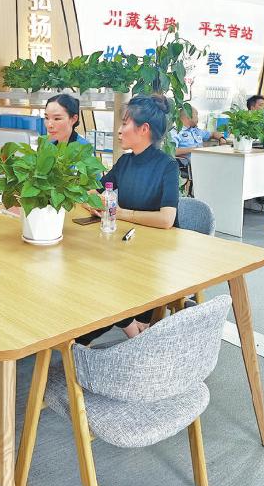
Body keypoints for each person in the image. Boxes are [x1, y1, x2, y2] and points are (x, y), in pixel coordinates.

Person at [79, 95, 179, 343]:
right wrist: (93, 203)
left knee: (104, 290)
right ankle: (130, 329)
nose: (119, 130)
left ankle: (134, 332)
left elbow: (167, 219)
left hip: (154, 260)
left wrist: (120, 212)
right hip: (125, 249)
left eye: (125, 123)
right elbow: (94, 192)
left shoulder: (167, 165)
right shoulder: (125, 162)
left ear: (144, 129)